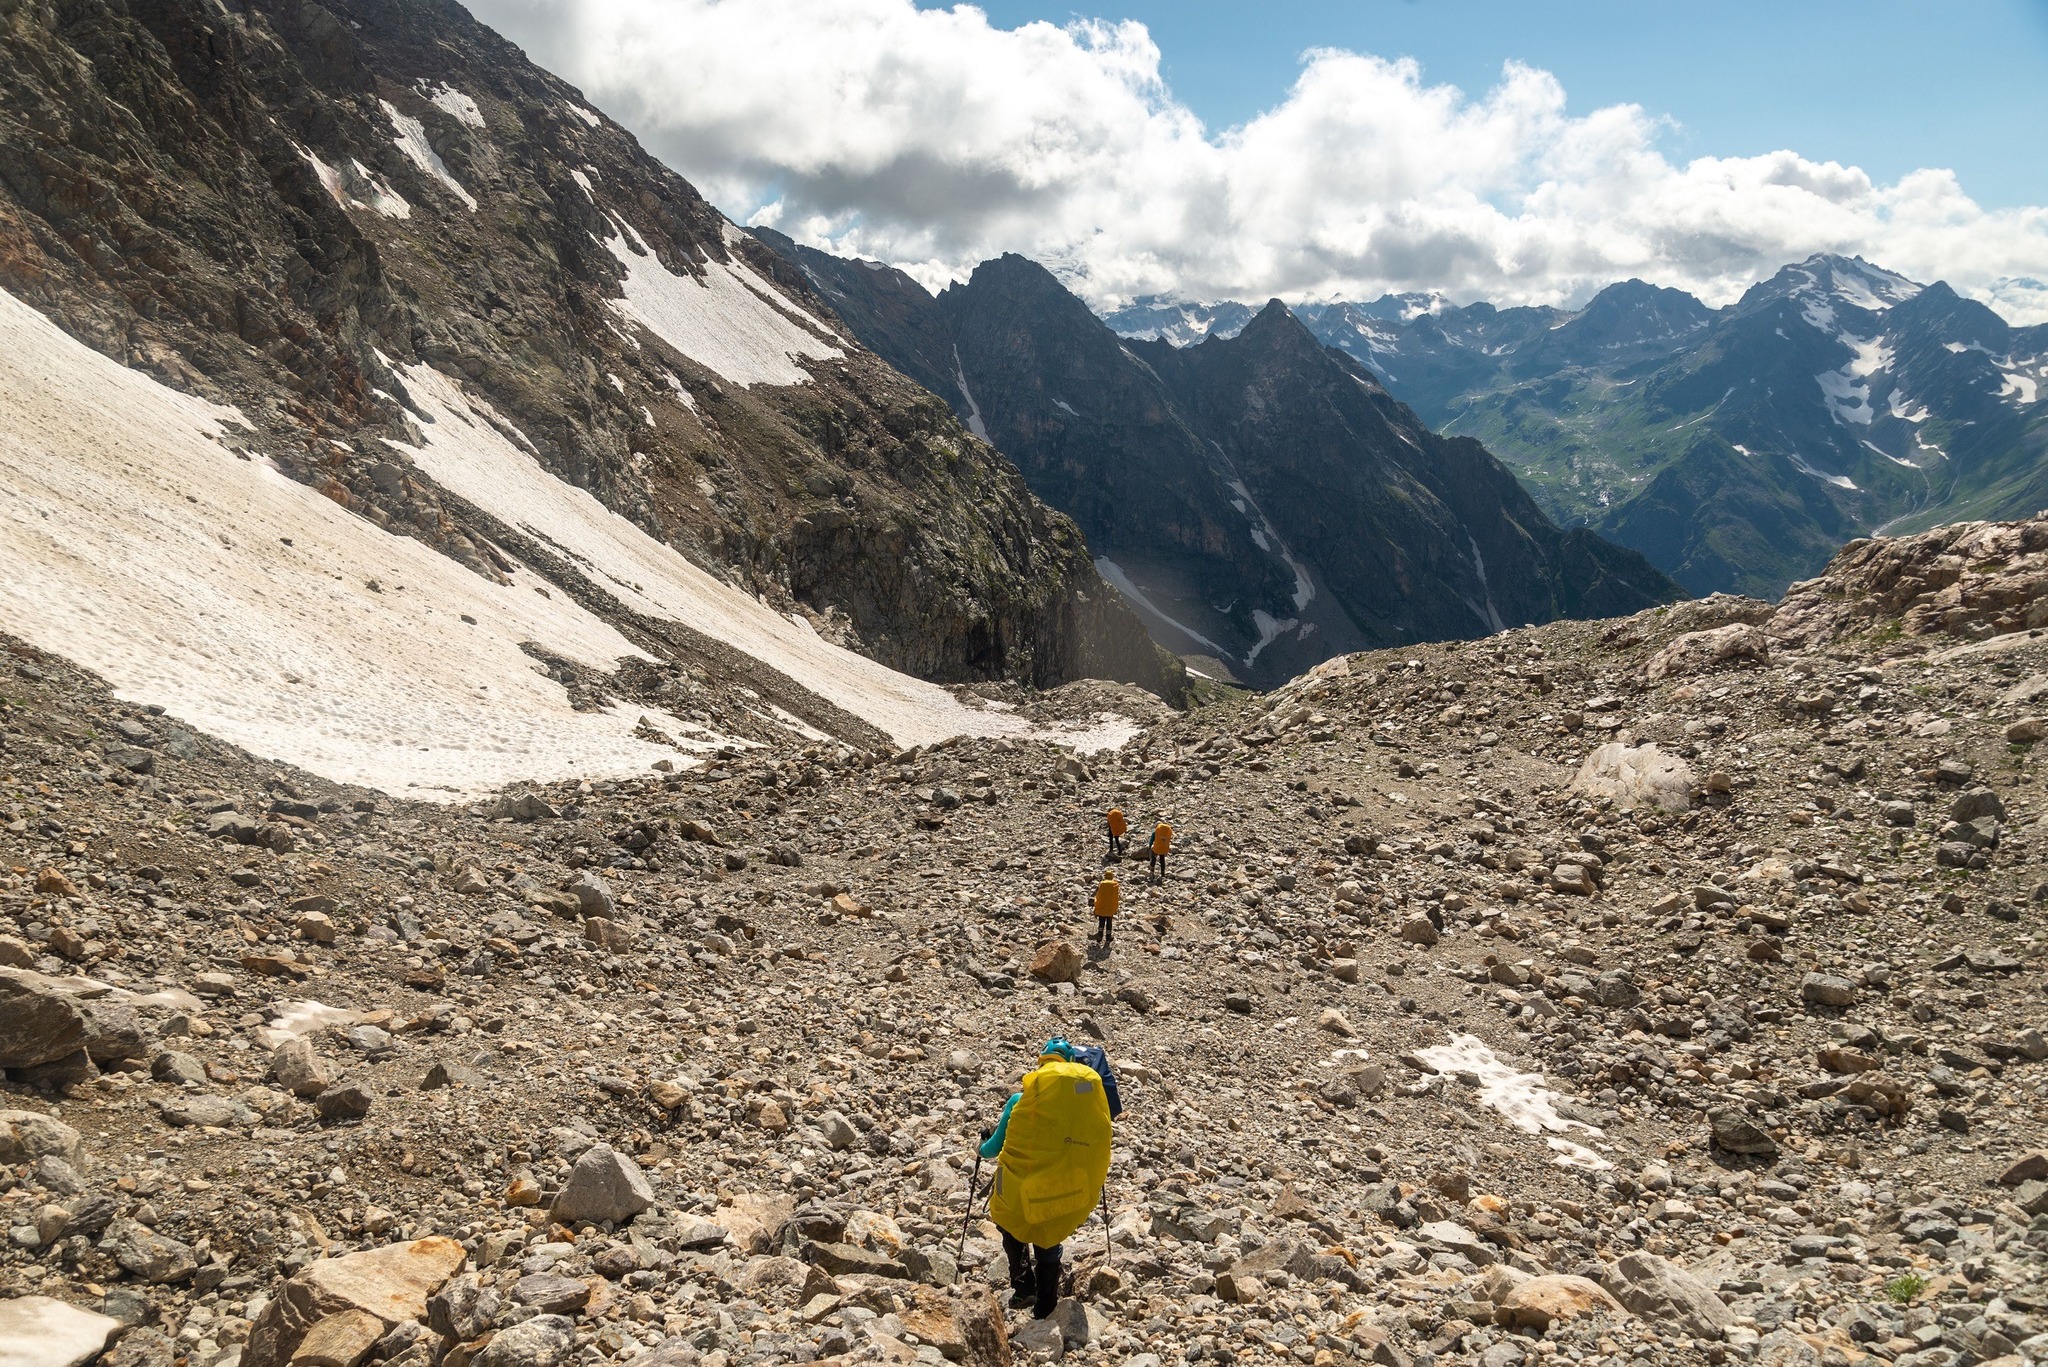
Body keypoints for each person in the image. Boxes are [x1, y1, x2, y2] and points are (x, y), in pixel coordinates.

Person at [978, 1039, 1116, 1318]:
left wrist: (979, 1147)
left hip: (1019, 1187)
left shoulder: (1021, 1100)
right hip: (1062, 1188)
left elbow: (992, 1149)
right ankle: (1046, 1306)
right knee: (1048, 1236)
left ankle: (1023, 1283)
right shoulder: (1082, 1109)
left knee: (1009, 1225)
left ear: (1041, 1064)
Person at [1092, 869, 1120, 946]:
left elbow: (1097, 894)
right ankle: (1108, 938)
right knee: (1109, 922)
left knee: (1101, 921)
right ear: (1112, 877)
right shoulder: (1115, 884)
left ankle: (1099, 937)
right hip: (1110, 907)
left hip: (1102, 906)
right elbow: (1117, 896)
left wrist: (1095, 905)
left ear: (1105, 876)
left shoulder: (1101, 884)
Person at [1148, 817, 1173, 884]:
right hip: (1164, 848)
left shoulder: (1156, 832)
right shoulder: (1167, 832)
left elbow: (1151, 840)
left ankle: (1152, 871)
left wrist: (1149, 846)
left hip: (1157, 848)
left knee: (1153, 859)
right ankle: (1162, 873)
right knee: (1162, 860)